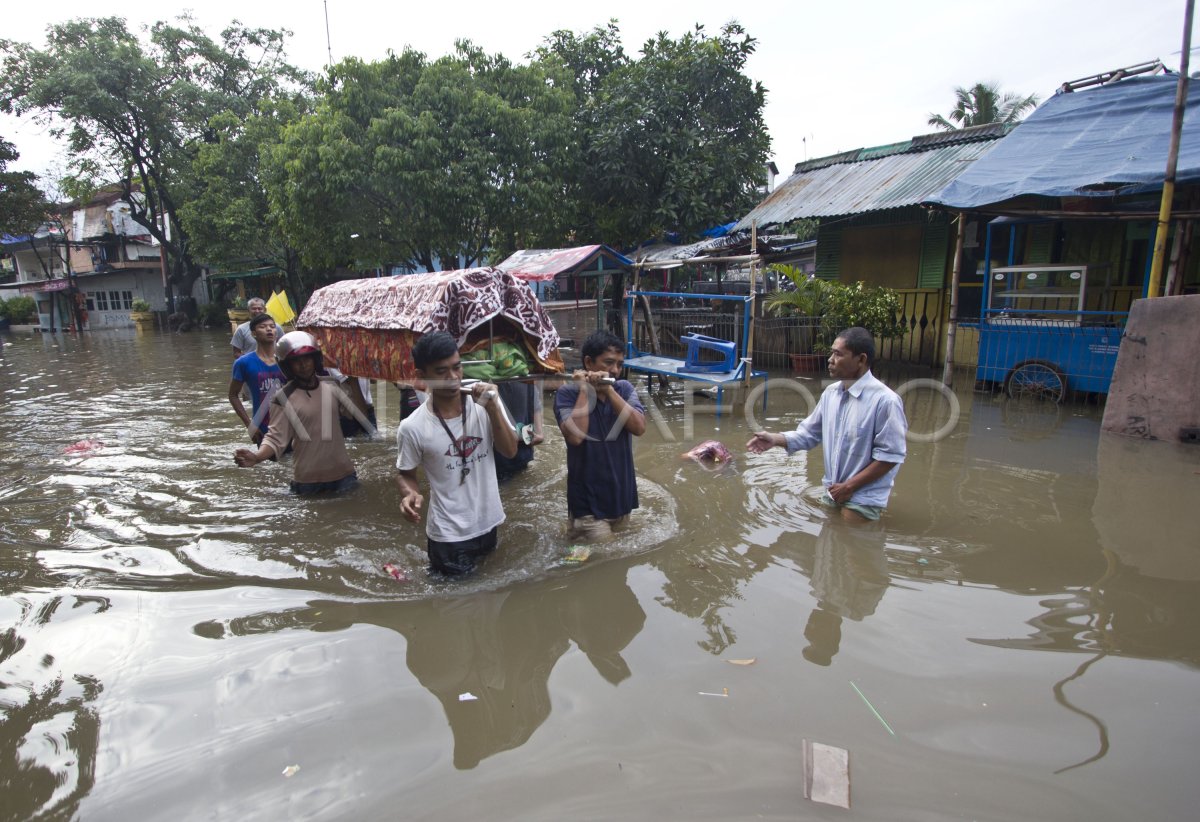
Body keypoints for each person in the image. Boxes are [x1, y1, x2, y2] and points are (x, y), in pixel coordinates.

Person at [747, 326, 907, 521]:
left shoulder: (886, 401)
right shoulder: (831, 394)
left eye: (838, 354)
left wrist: (849, 487)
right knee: (828, 534)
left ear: (861, 359)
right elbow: (809, 434)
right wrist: (774, 439)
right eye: (832, 353)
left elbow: (890, 457)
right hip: (833, 490)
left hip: (864, 496)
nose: (830, 360)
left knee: (850, 534)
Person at [395, 331, 519, 576]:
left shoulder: (486, 402)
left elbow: (510, 451)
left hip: (489, 524)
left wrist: (493, 409)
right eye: (441, 372)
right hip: (448, 536)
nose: (453, 378)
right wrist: (410, 494)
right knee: (456, 597)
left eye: (457, 367)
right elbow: (405, 473)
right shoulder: (412, 427)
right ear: (422, 376)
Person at [233, 331, 362, 494]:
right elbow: (275, 437)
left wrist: (354, 380)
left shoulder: (333, 386)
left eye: (307, 359)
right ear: (287, 366)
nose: (303, 365)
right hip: (308, 482)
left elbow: (357, 415)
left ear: (315, 360)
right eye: (296, 361)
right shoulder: (283, 397)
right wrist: (257, 457)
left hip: (345, 477)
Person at [554, 330, 646, 542]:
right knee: (607, 558)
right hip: (588, 507)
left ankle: (570, 540)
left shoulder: (624, 389)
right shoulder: (568, 394)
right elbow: (575, 438)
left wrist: (609, 391)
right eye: (608, 363)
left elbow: (639, 428)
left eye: (619, 364)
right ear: (589, 362)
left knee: (616, 560)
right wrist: (585, 390)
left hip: (622, 500)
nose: (615, 370)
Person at [227, 313, 284, 444]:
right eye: (263, 327)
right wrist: (250, 425)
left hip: (292, 423)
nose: (269, 329)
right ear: (253, 334)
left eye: (272, 326)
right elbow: (233, 395)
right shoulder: (243, 363)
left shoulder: (287, 359)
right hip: (263, 426)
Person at [493, 379, 545, 482]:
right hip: (496, 456)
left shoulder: (526, 378)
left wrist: (539, 433)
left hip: (522, 450)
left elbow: (535, 401)